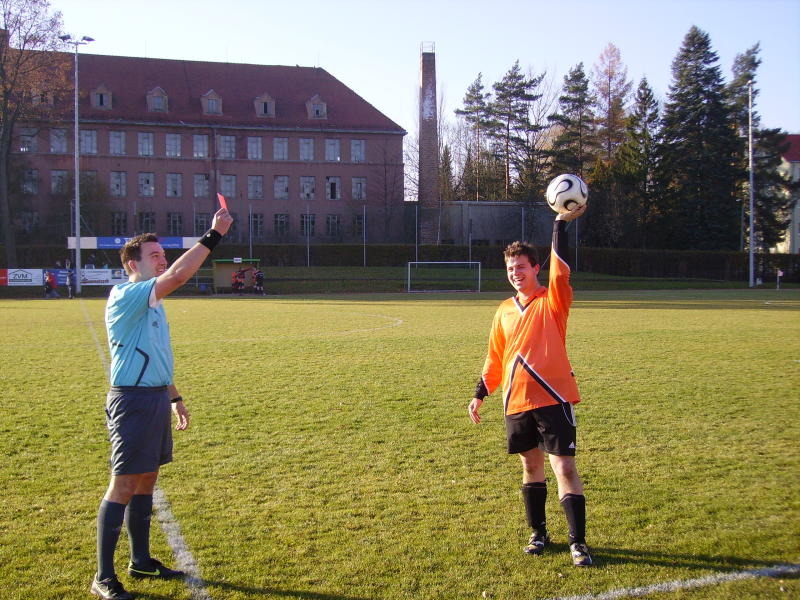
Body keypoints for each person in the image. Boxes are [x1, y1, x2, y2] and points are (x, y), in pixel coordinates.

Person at [91, 207, 233, 600]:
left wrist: (175, 397)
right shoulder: (127, 294)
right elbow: (178, 276)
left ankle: (140, 560)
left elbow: (156, 354)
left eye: (161, 254)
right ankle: (104, 577)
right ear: (131, 265)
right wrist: (213, 235)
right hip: (132, 401)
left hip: (154, 398)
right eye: (154, 255)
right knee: (123, 485)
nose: (162, 259)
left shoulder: (152, 303)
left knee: (148, 480)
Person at [468, 203, 594, 567]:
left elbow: (561, 272)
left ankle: (578, 543)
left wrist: (560, 225)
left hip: (553, 396)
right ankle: (538, 533)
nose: (515, 273)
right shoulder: (504, 309)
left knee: (565, 468)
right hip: (516, 400)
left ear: (535, 268)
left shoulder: (553, 301)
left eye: (521, 267)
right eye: (510, 268)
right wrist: (480, 393)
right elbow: (496, 355)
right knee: (530, 466)